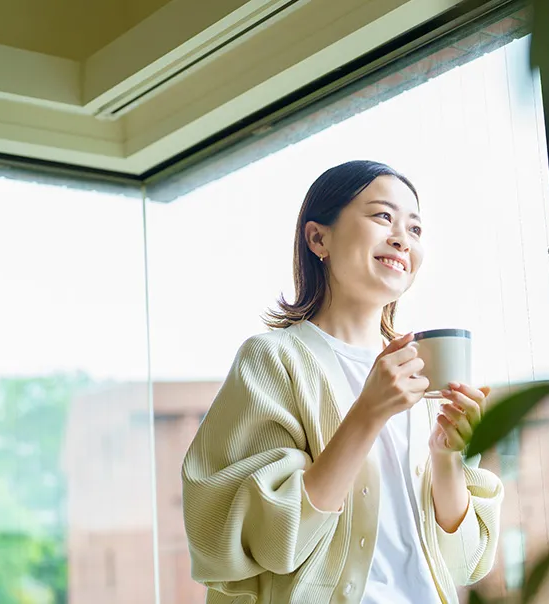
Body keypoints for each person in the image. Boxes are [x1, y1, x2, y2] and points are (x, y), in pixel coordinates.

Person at [182, 160, 503, 603]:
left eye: (415, 229)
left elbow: (463, 565)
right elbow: (276, 544)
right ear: (319, 238)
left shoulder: (424, 373)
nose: (401, 239)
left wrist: (446, 457)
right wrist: (368, 414)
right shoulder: (273, 360)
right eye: (382, 216)